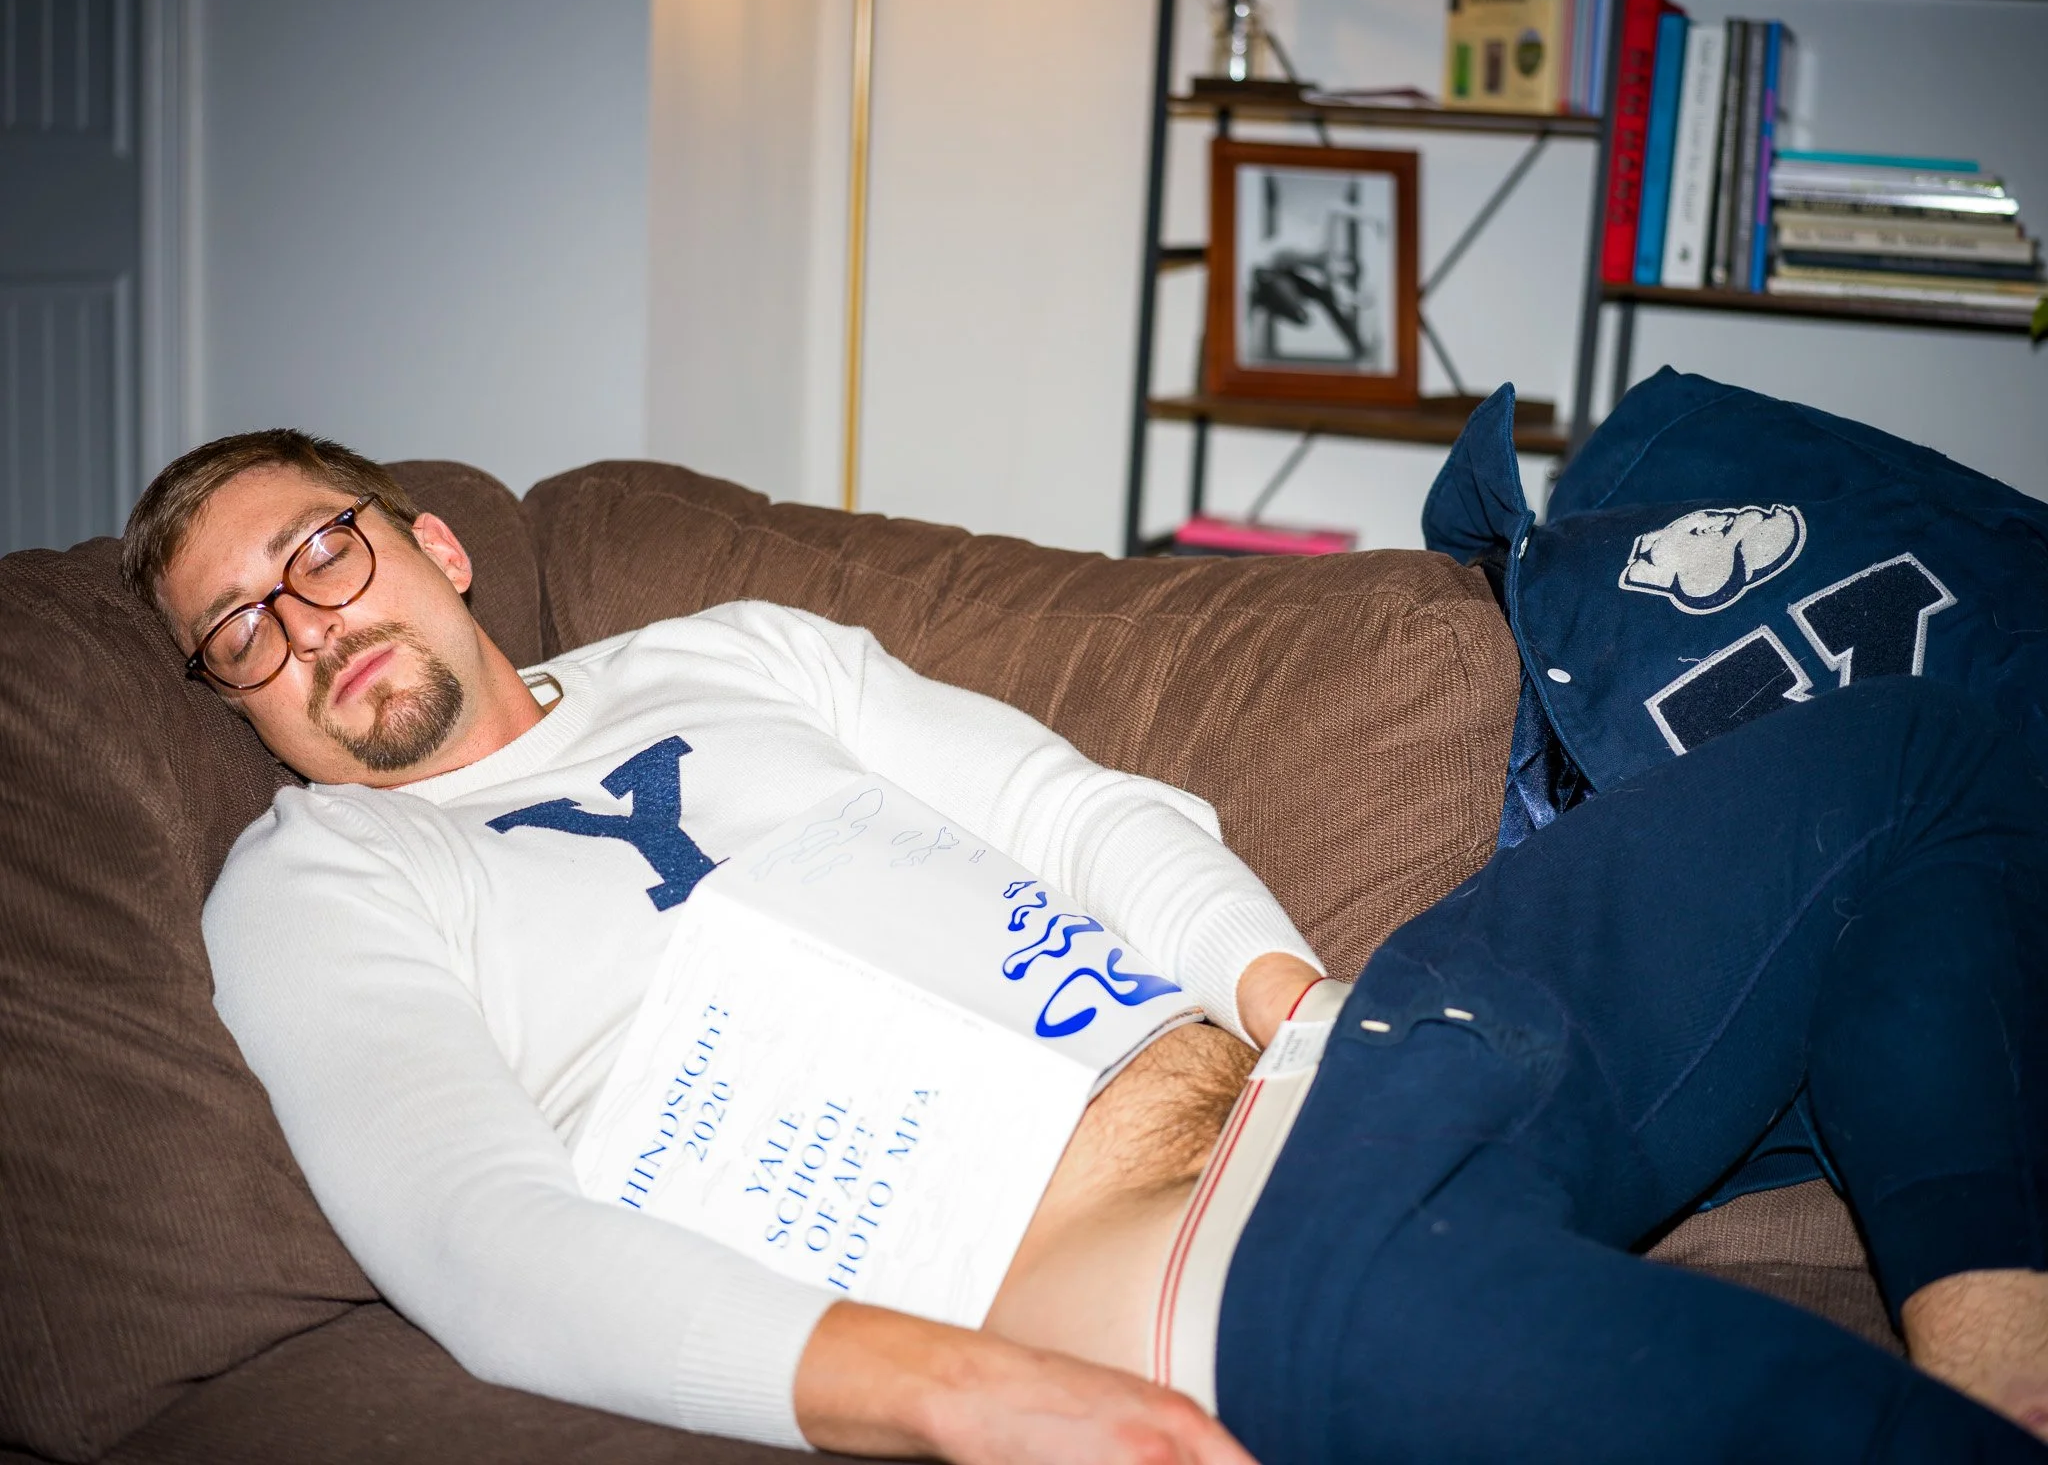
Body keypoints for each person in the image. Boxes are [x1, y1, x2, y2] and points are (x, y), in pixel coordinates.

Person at [123, 430, 2048, 1463]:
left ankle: (2002, 1352)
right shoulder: (318, 886)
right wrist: (965, 1398)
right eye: (239, 634)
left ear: (433, 543)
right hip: (1217, 1275)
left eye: (320, 552)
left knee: (1908, 758)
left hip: (1368, 1070)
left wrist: (1292, 1000)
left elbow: (1078, 808)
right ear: (235, 699)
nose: (305, 625)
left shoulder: (725, 653)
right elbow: (488, 1248)